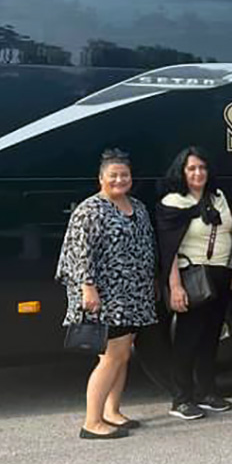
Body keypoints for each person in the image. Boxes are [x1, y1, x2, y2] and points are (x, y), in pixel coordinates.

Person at [56, 149, 156, 439]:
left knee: (123, 355)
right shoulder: (90, 210)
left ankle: (112, 411)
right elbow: (79, 252)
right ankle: (92, 421)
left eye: (124, 175)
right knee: (111, 357)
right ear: (101, 178)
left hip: (133, 294)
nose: (119, 180)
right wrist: (87, 287)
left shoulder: (137, 206)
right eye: (113, 175)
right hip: (106, 296)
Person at [156, 146, 232, 421]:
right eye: (191, 168)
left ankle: (206, 392)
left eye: (202, 167)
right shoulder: (173, 203)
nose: (198, 173)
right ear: (181, 172)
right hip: (192, 275)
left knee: (211, 337)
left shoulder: (218, 198)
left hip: (221, 274)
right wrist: (175, 287)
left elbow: (229, 232)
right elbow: (168, 251)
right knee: (187, 339)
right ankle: (181, 398)